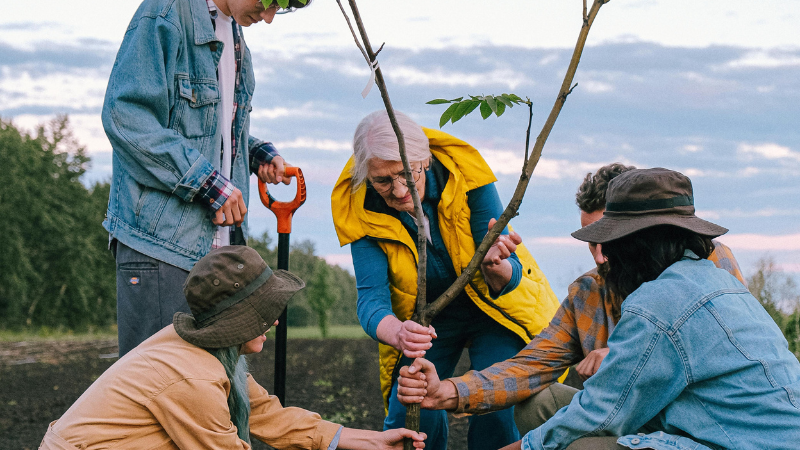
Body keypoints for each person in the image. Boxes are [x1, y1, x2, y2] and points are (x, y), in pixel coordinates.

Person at [401, 168, 800, 450]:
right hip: (664, 417)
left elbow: (602, 411)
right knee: (541, 402)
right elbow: (532, 365)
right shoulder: (591, 291)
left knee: (580, 446)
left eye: (609, 241)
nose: (600, 256)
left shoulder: (688, 281)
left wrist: (525, 447)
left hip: (721, 431)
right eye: (594, 242)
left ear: (637, 242)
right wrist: (449, 390)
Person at [39, 246, 426, 450]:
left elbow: (264, 413)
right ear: (238, 321)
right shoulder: (193, 377)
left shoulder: (212, 353)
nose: (275, 322)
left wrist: (371, 441)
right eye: (265, 314)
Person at [330, 110, 561, 450]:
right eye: (382, 181)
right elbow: (371, 300)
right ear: (367, 176)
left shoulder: (466, 174)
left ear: (425, 160)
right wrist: (399, 332)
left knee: (496, 405)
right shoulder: (359, 207)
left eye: (407, 173)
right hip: (428, 321)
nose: (399, 190)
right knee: (411, 407)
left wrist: (495, 266)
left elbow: (509, 274)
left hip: (495, 311)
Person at [102, 0, 302, 357]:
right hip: (161, 247)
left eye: (281, 7)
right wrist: (209, 183)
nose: (269, 17)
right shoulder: (164, 14)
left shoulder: (234, 32)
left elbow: (209, 130)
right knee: (162, 380)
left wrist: (255, 153)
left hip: (219, 249)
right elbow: (127, 118)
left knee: (214, 380)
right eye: (269, 1)